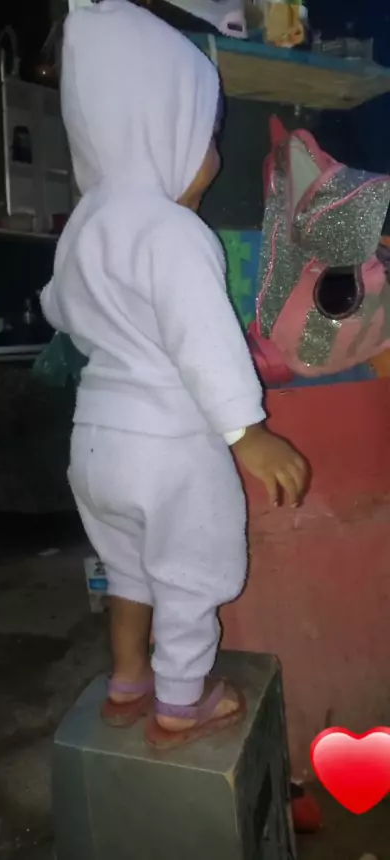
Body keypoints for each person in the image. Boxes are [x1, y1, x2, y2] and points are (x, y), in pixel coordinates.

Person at [41, 0, 308, 749]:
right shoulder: (173, 230)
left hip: (95, 441)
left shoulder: (85, 226)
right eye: (206, 134)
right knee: (190, 569)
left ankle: (128, 680)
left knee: (128, 567)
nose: (212, 152)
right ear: (160, 126)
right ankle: (182, 702)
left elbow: (59, 308)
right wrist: (247, 434)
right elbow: (203, 341)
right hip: (168, 443)